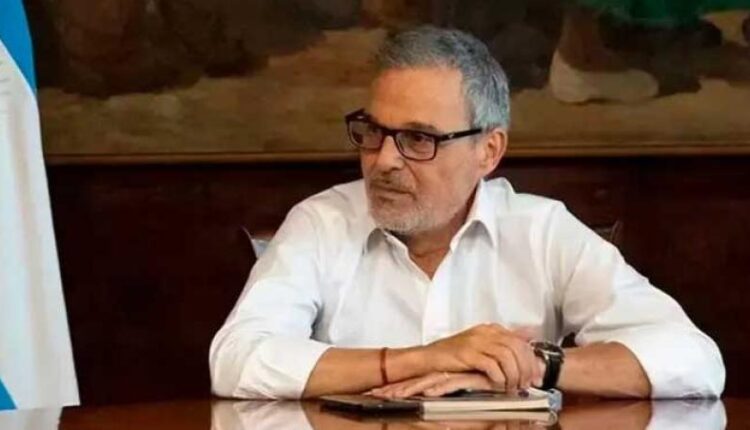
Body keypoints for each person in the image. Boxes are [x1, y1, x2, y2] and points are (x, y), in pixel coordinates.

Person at [210, 25, 725, 400]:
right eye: (373, 131)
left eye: (418, 139)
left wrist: (529, 366)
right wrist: (426, 358)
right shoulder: (321, 223)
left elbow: (694, 359)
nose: (383, 160)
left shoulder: (541, 230)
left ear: (488, 151)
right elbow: (236, 361)